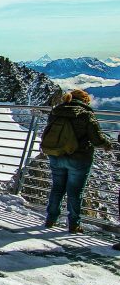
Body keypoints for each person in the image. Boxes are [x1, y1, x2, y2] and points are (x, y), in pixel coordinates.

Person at [42, 89, 113, 233]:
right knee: (75, 192)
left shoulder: (56, 111)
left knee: (57, 188)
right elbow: (96, 139)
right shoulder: (86, 114)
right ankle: (74, 224)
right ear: (85, 100)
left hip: (56, 155)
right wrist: (107, 144)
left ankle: (51, 218)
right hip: (78, 158)